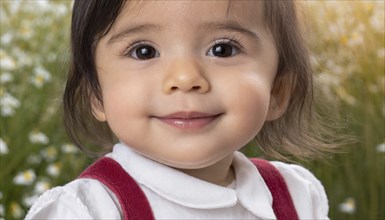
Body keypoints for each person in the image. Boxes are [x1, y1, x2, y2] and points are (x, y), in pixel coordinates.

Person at [26, 0, 334, 219]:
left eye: (223, 49)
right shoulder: (90, 210)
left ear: (278, 90)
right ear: (95, 93)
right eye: (143, 51)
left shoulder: (296, 196)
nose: (185, 78)